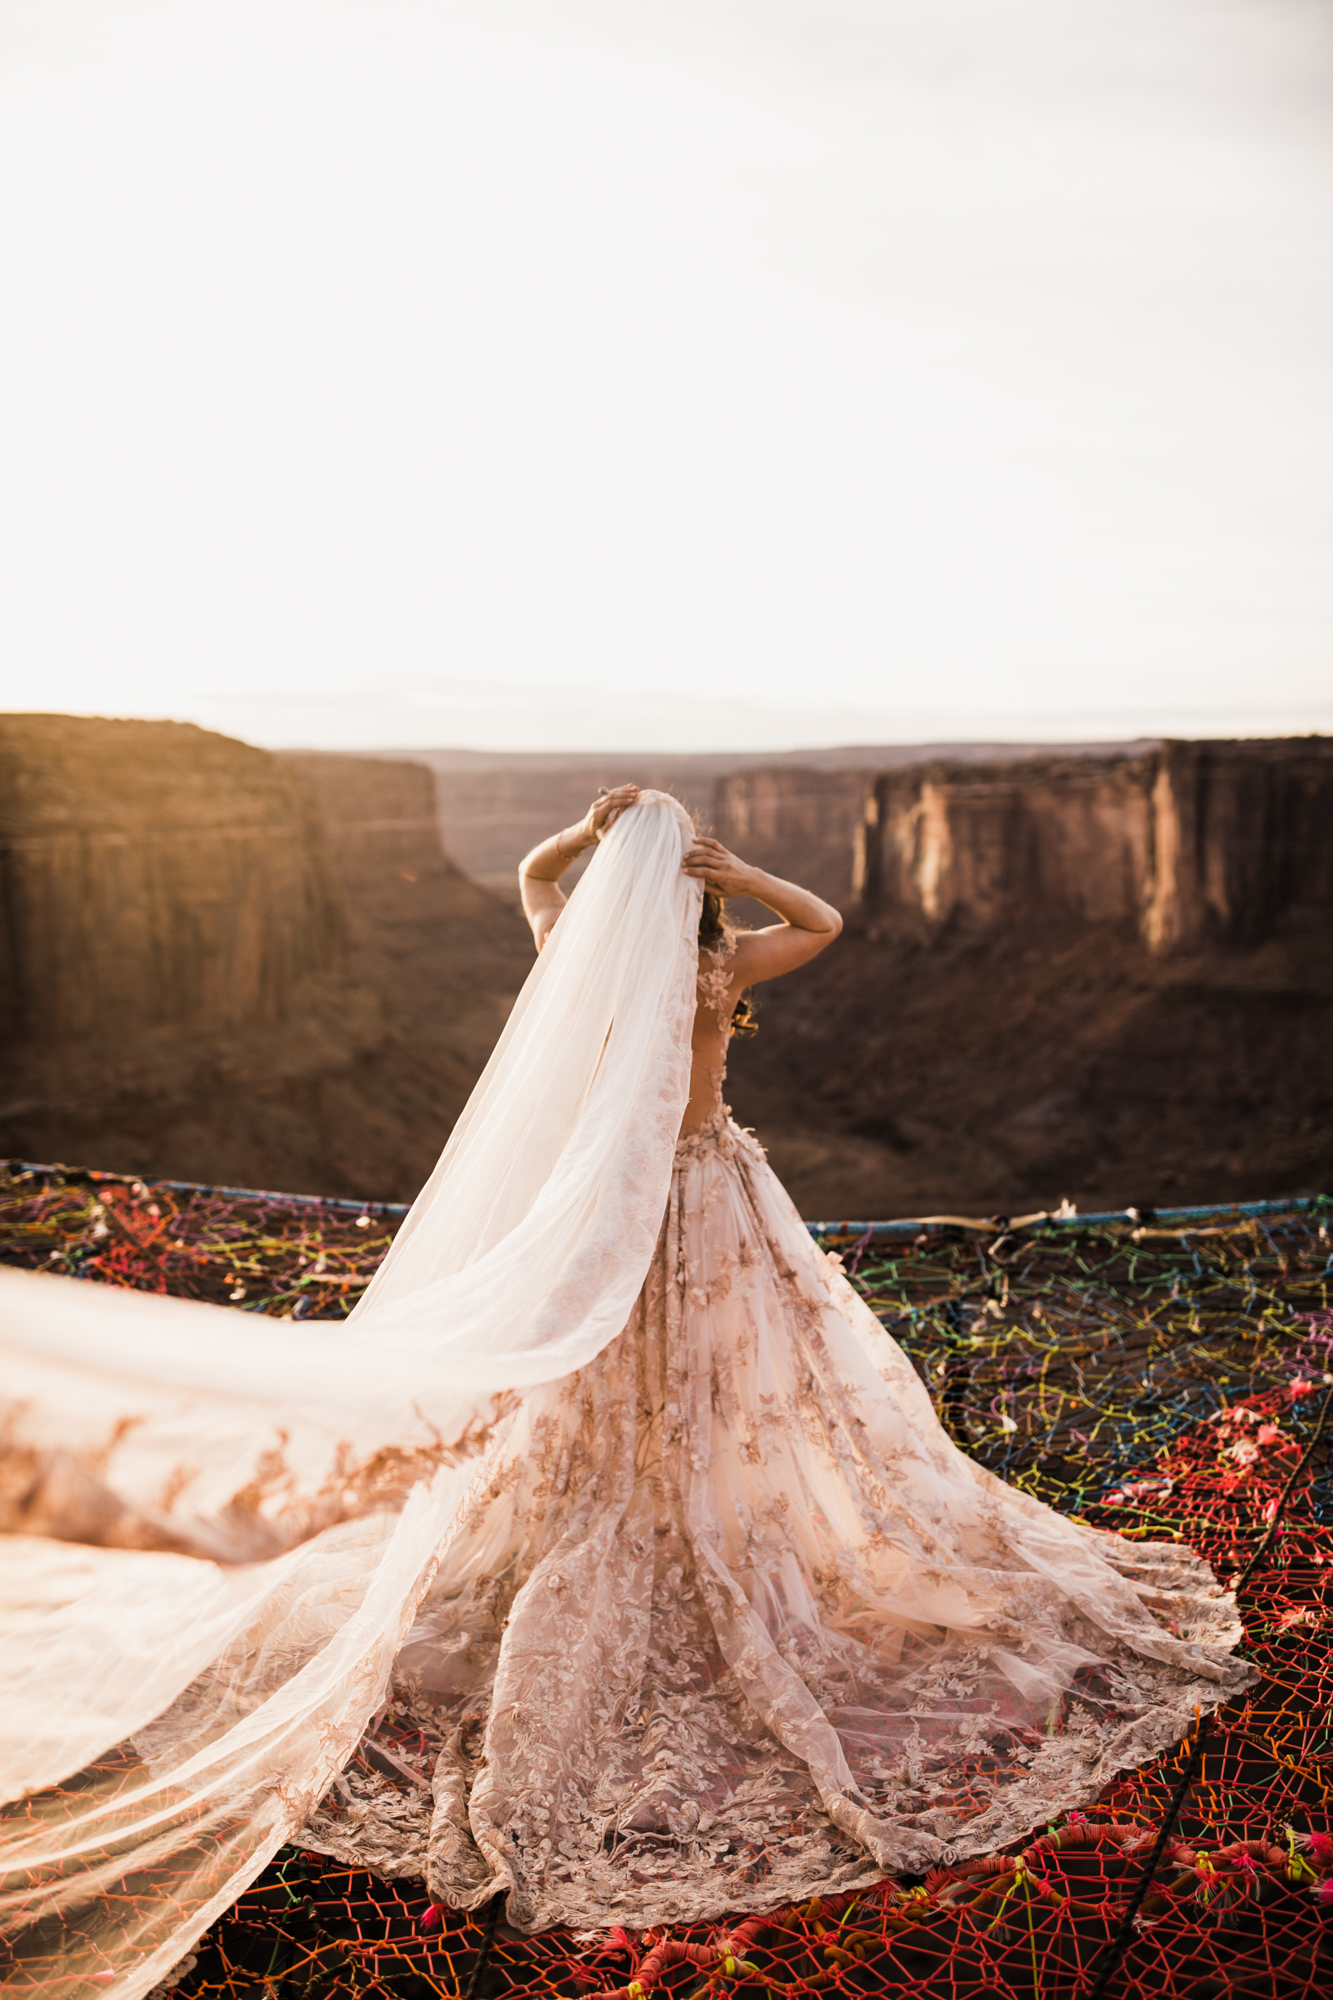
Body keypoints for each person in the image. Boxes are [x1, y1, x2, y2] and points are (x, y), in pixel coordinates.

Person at [0, 788, 1250, 1986]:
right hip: (706, 1200)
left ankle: (646, 1492)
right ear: (684, 891)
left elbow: (539, 880)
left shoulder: (578, 954)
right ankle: (700, 1502)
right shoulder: (714, 968)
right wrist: (732, 872)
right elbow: (823, 922)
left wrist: (585, 835)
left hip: (610, 1218)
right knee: (735, 1383)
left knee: (613, 1387)